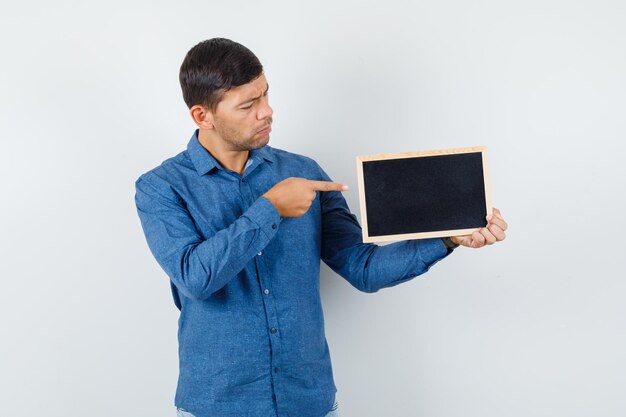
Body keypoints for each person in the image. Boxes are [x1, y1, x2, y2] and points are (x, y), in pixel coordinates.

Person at [134, 38, 508, 417]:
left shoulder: (305, 172)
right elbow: (195, 277)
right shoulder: (160, 188)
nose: (266, 112)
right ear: (202, 116)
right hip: (217, 405)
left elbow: (364, 268)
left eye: (265, 95)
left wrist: (446, 238)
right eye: (248, 105)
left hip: (309, 403)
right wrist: (271, 209)